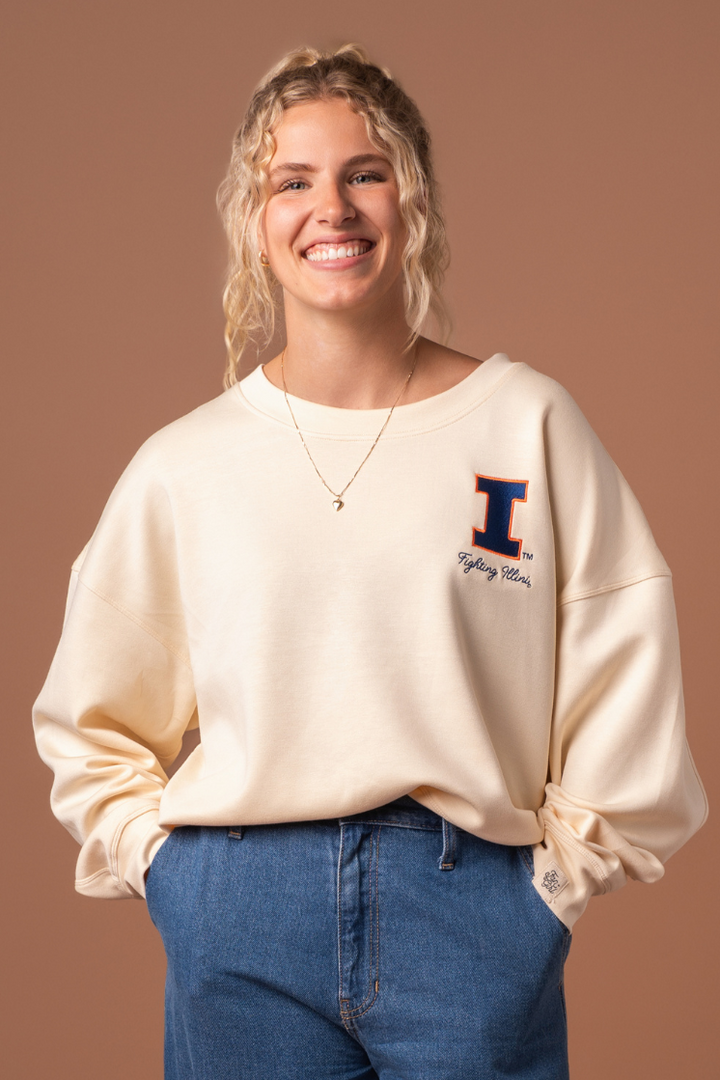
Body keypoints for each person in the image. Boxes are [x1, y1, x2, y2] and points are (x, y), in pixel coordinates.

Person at [33, 44, 707, 1080]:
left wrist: (552, 886)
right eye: (291, 182)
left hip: (471, 908)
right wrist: (171, 874)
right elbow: (92, 719)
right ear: (256, 224)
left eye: (364, 173)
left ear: (413, 198)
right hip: (240, 916)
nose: (331, 209)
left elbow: (625, 650)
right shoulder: (186, 466)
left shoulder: (523, 424)